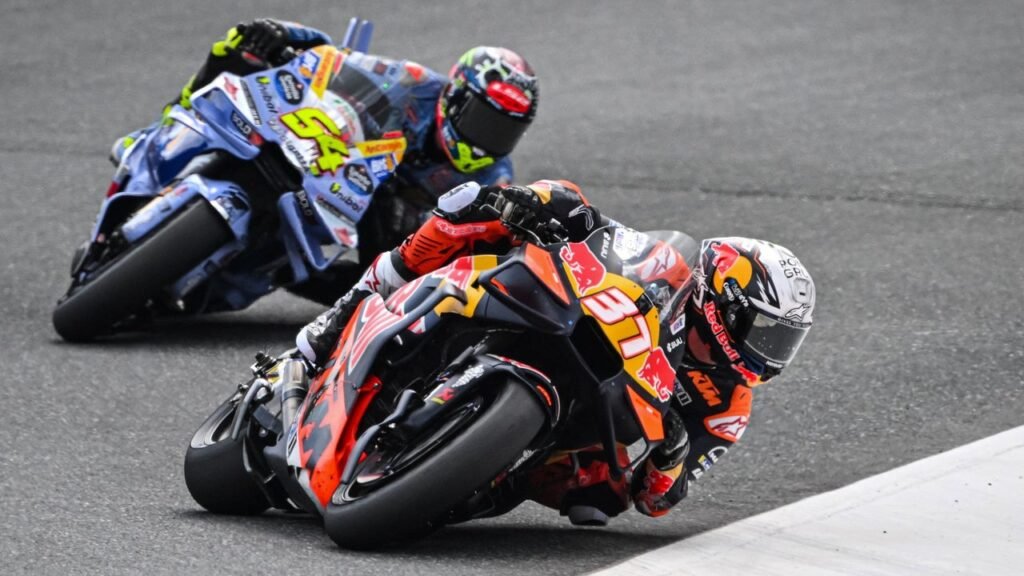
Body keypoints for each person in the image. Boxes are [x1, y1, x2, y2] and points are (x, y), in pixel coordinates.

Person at [296, 179, 817, 523]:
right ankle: (348, 311)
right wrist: (538, 204)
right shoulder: (669, 269)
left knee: (600, 497)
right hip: (567, 319)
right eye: (767, 332)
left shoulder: (728, 407)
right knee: (467, 212)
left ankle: (466, 476)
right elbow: (601, 230)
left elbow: (658, 500)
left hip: (593, 424)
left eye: (783, 340)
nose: (769, 352)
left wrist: (672, 455)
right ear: (725, 301)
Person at [110, 18, 539, 302]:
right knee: (240, 46)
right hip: (330, 163)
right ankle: (162, 127)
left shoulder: (494, 178)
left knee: (396, 276)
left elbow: (485, 246)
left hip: (378, 231)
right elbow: (334, 61)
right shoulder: (412, 83)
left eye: (505, 130)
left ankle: (283, 273)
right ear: (456, 96)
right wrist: (283, 36)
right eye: (484, 120)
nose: (488, 138)